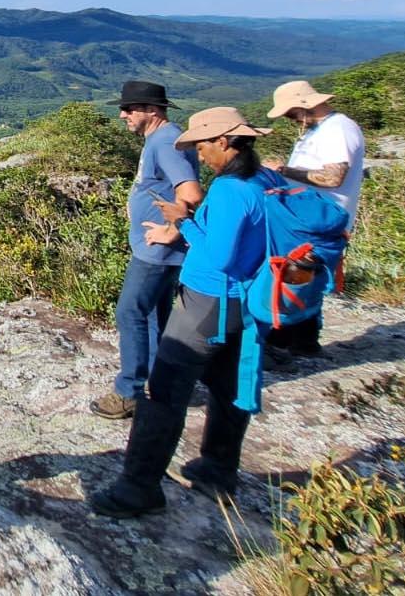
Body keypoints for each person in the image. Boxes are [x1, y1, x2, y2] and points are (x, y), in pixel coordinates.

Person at [89, 107, 273, 517]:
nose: (199, 155)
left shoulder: (228, 191)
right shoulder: (263, 180)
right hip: (248, 304)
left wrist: (183, 221)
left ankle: (138, 489)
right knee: (228, 391)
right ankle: (218, 473)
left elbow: (219, 256)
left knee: (164, 392)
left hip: (209, 300)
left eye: (203, 145)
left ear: (224, 141)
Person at [91, 81, 204, 421]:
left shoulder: (166, 141)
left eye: (130, 108)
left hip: (156, 252)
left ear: (151, 111)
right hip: (159, 250)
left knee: (130, 312)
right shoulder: (162, 138)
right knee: (156, 315)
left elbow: (192, 193)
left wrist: (171, 230)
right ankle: (161, 380)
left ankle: (129, 392)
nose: (122, 114)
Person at [261, 80, 365, 358]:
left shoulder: (338, 129)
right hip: (311, 216)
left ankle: (280, 342)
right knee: (306, 276)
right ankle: (304, 342)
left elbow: (333, 177)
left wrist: (283, 170)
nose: (287, 118)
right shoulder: (319, 129)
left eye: (289, 112)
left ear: (303, 105)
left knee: (293, 274)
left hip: (321, 218)